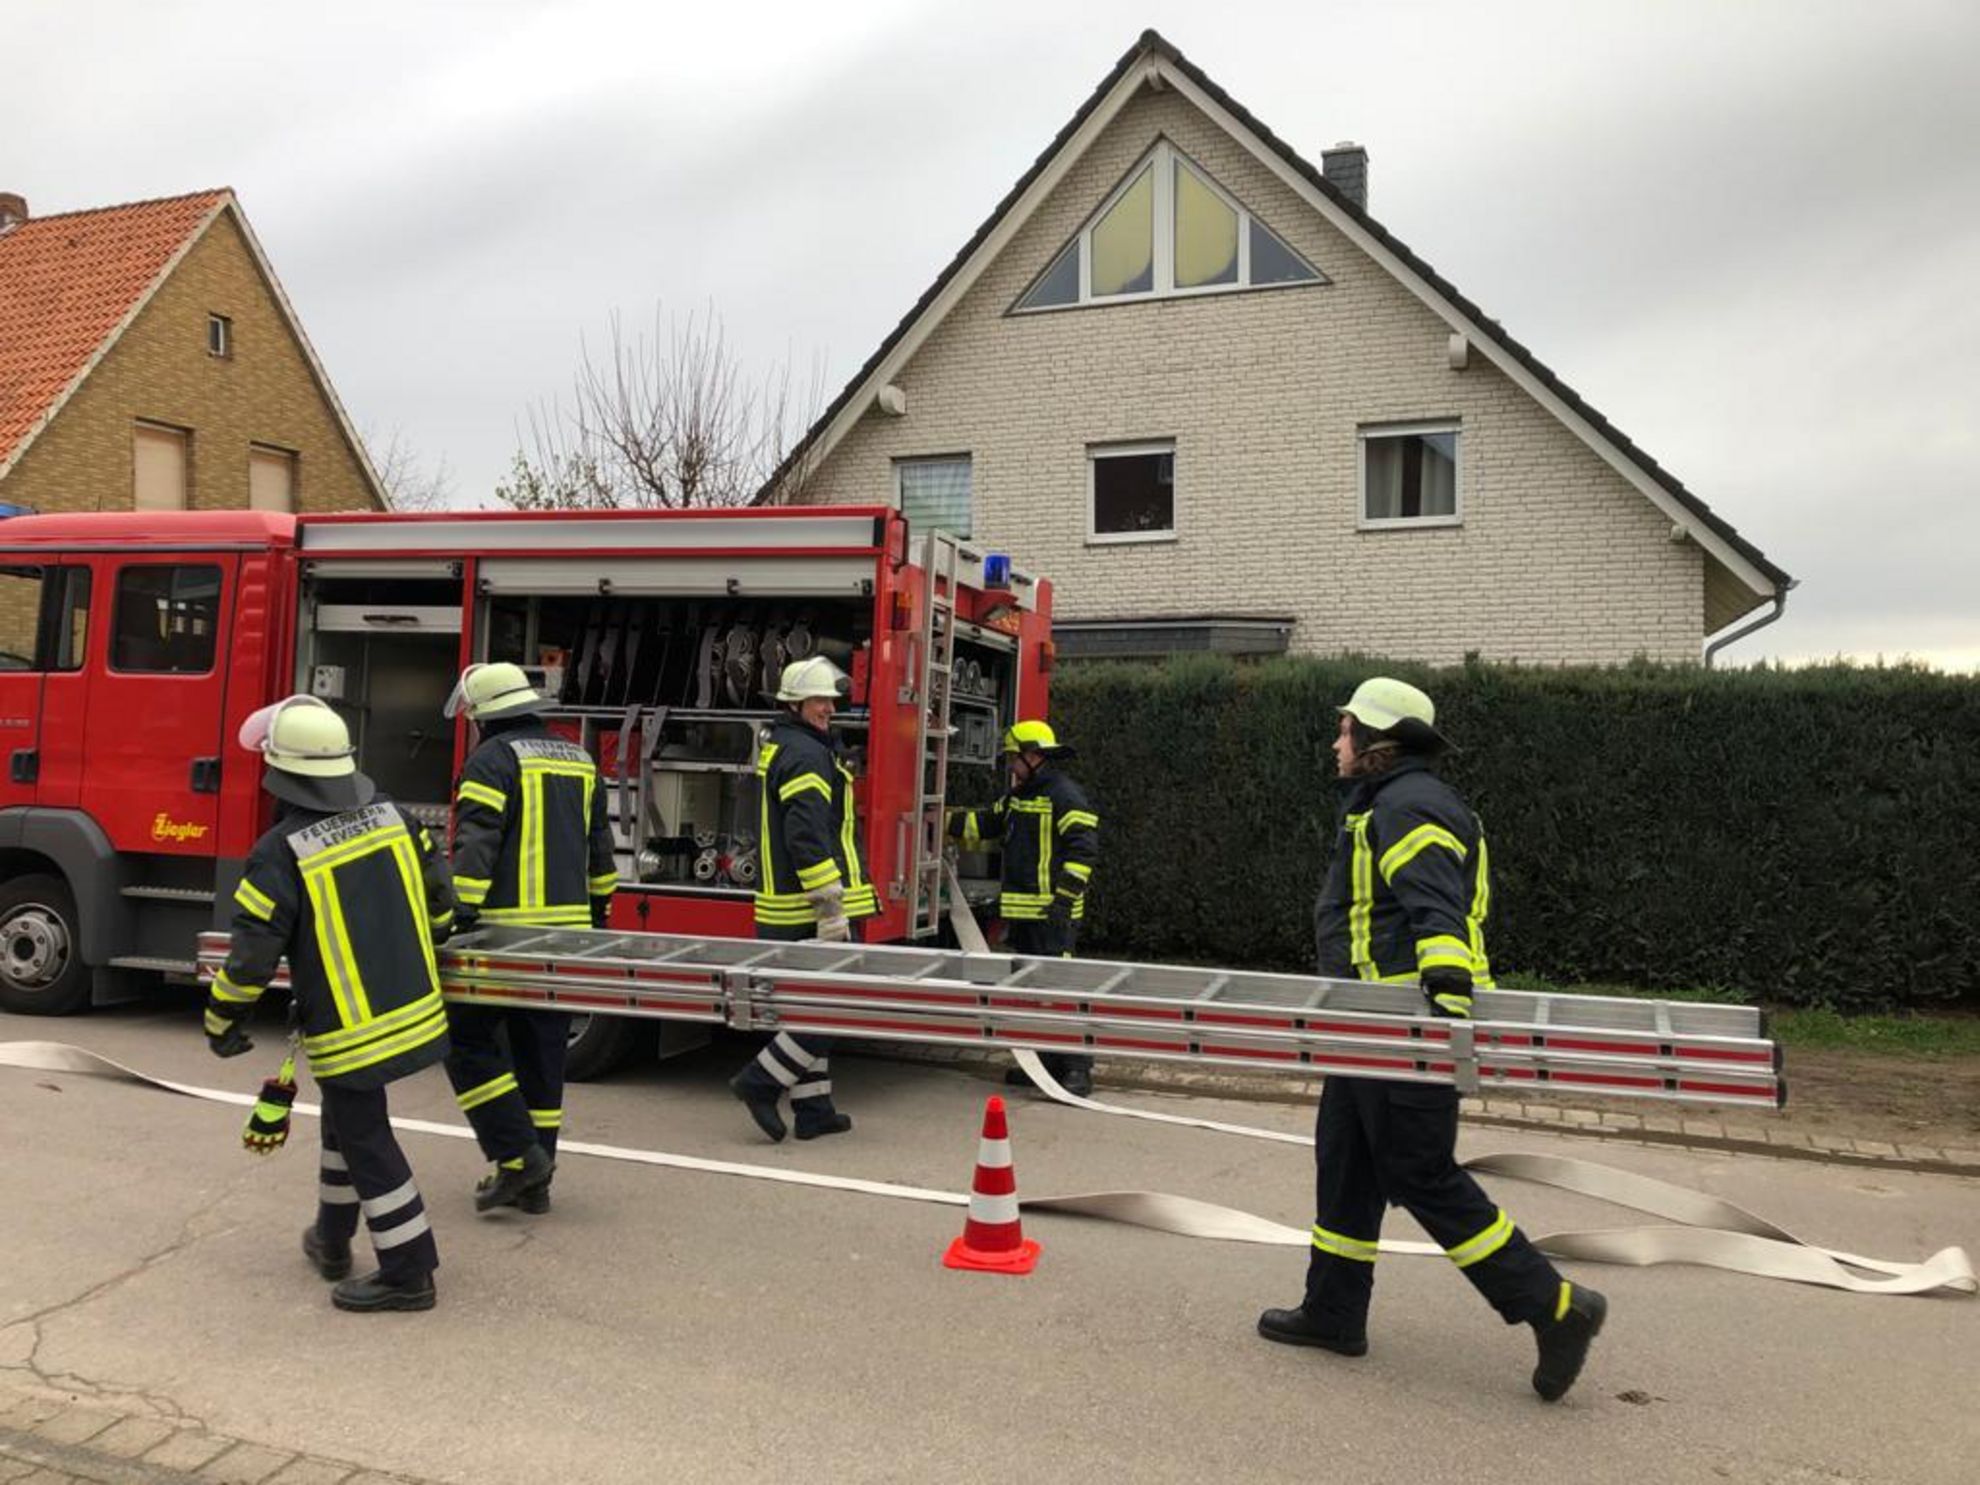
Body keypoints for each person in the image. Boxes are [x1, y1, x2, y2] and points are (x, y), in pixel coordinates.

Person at [1256, 677, 1607, 1402]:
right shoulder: (1388, 800)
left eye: (1345, 729)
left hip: (1402, 1027)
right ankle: (1333, 1310)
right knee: (1347, 1163)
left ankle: (1554, 1305)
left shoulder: (1409, 804)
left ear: (1375, 740)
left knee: (1419, 1173)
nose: (1336, 740)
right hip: (1367, 1025)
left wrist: (1443, 1013)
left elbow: (1436, 906)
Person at [206, 696, 454, 1313]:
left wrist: (222, 1019)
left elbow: (251, 960)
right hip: (416, 1007)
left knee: (367, 1138)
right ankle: (332, 1238)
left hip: (350, 1027)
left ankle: (409, 1271)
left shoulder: (279, 850)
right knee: (346, 1124)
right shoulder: (396, 816)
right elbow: (441, 905)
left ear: (280, 771)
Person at [442, 661, 617, 1214]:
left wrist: (457, 915)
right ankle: (536, 1185)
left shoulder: (491, 760)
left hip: (503, 935)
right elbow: (601, 846)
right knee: (542, 1058)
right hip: (566, 937)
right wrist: (599, 912)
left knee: (464, 1044)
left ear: (483, 716)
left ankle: (517, 1157)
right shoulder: (578, 757)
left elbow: (477, 844)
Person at [728, 656, 877, 1141]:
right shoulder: (807, 754)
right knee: (836, 1004)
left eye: (830, 700)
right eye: (818, 701)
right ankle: (760, 1081)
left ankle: (814, 1110)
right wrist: (830, 907)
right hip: (808, 909)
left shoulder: (791, 745)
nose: (828, 708)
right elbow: (807, 837)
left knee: (812, 1006)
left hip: (790, 907)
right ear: (794, 704)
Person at [949, 720, 1101, 1097]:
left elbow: (1083, 851)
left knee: (1059, 992)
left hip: (1053, 916)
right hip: (1027, 914)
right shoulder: (1019, 796)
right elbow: (985, 823)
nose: (1011, 765)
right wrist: (939, 818)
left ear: (1032, 756)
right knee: (1034, 993)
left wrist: (1064, 900)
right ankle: (1046, 1065)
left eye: (1013, 758)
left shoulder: (1064, 796)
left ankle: (1078, 1068)